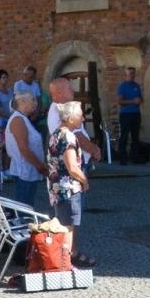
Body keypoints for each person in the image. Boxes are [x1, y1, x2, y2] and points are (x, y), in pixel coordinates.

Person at [45, 101, 93, 265]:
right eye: (80, 115)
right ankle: (65, 262)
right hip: (68, 188)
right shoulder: (68, 136)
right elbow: (72, 166)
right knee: (68, 227)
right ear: (71, 117)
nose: (83, 119)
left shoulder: (56, 133)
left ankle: (66, 259)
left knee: (63, 223)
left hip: (57, 187)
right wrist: (84, 180)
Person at [3, 92, 48, 208]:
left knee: (27, 205)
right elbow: (24, 149)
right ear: (22, 102)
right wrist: (40, 166)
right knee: (23, 207)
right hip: (24, 170)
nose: (36, 103)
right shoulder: (18, 120)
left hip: (29, 169)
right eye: (33, 100)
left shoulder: (23, 119)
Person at [115, 66, 143, 165]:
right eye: (130, 73)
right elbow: (119, 101)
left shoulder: (137, 86)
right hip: (126, 114)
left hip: (136, 113)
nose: (132, 75)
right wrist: (132, 101)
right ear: (126, 74)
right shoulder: (122, 86)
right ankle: (123, 158)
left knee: (135, 136)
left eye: (133, 73)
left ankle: (135, 158)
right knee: (125, 136)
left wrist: (139, 101)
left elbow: (140, 99)